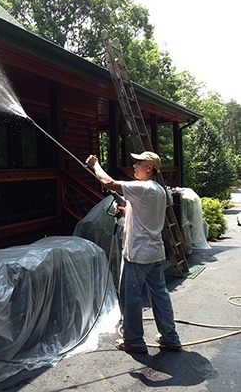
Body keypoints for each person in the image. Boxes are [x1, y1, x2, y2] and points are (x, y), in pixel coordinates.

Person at [85, 151, 181, 354]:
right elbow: (143, 212)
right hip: (154, 253)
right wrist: (126, 211)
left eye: (139, 163)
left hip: (137, 255)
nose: (134, 166)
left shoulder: (143, 188)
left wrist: (95, 165)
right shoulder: (158, 190)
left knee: (131, 298)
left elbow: (108, 182)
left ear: (150, 168)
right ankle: (170, 337)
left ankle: (134, 342)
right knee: (160, 296)